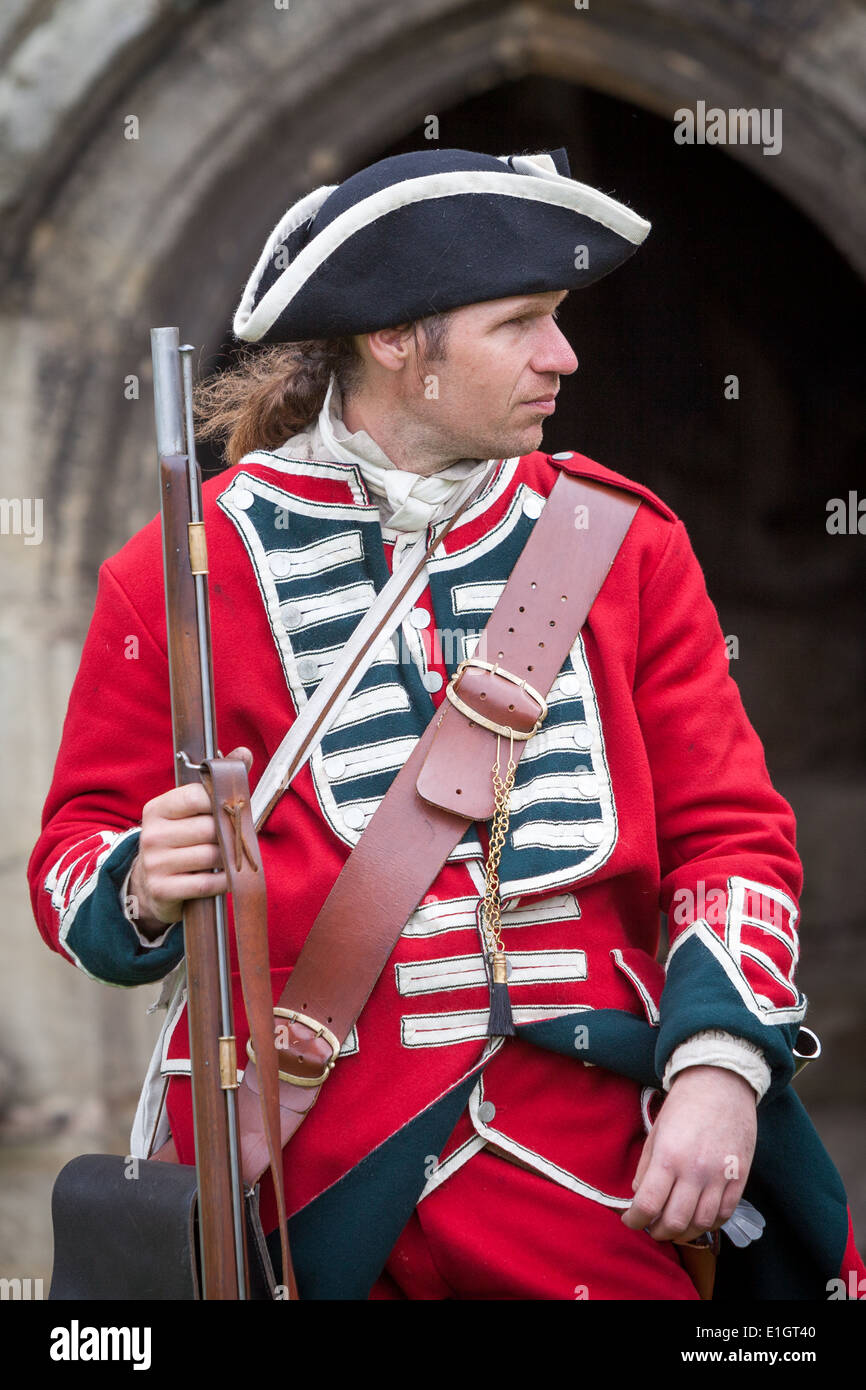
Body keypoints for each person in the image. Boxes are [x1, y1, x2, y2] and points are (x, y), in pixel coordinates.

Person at [28, 146, 864, 1301]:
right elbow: (72, 854)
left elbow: (730, 839)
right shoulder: (181, 570)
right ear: (393, 342)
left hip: (595, 1162)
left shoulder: (623, 544)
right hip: (304, 1173)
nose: (562, 356)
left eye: (557, 318)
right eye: (519, 322)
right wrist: (138, 880)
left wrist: (719, 1070)